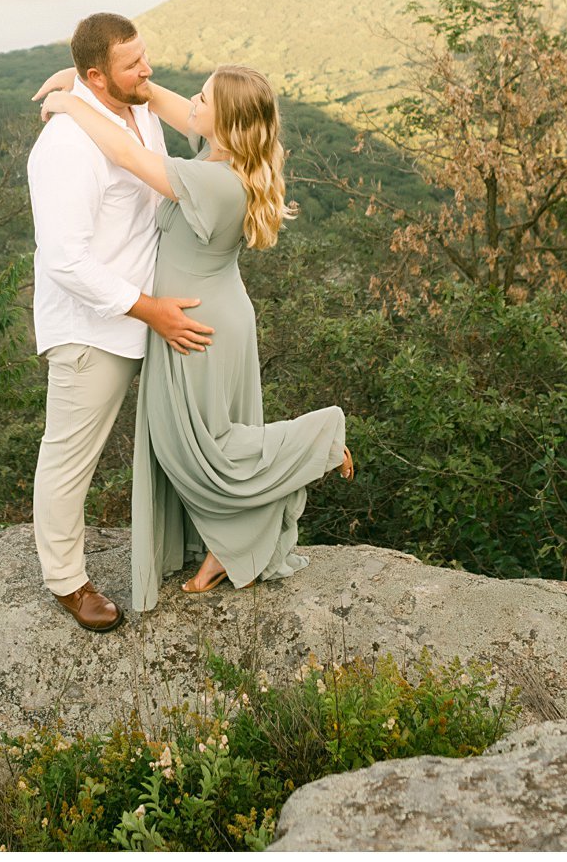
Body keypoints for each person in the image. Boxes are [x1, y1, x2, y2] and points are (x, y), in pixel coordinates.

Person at [36, 59, 352, 611]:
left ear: (225, 123)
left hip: (197, 324)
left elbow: (130, 156)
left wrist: (72, 104)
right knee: (198, 444)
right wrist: (92, 79)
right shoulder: (234, 156)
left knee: (201, 450)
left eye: (203, 99)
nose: (191, 104)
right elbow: (168, 104)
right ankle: (225, 547)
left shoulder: (213, 180)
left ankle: (315, 440)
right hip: (208, 312)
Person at [27, 13, 214, 633]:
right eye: (133, 65)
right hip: (95, 326)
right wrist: (149, 308)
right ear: (95, 76)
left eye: (145, 57)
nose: (148, 71)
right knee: (70, 456)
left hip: (149, 317)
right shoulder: (65, 145)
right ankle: (66, 581)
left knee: (180, 441)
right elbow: (66, 261)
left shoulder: (140, 110)